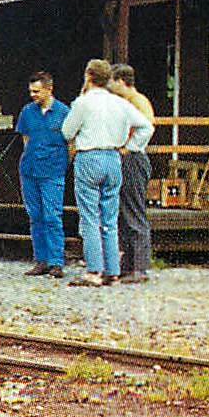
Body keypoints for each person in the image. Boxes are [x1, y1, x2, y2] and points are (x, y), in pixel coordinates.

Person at [60, 59, 153, 288]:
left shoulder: (83, 103)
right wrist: (130, 147)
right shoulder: (119, 103)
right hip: (113, 157)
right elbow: (146, 126)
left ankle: (94, 270)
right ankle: (113, 270)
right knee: (111, 218)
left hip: (89, 156)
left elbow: (66, 131)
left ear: (88, 76)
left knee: (91, 217)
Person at [16, 72, 71, 278]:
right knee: (35, 216)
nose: (33, 95)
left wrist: (62, 165)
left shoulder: (64, 112)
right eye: (31, 91)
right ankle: (41, 260)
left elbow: (70, 143)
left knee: (52, 216)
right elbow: (25, 139)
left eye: (37, 91)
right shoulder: (27, 111)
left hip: (53, 171)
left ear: (49, 89)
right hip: (30, 170)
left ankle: (56, 261)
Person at [110, 63, 155, 283]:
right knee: (124, 212)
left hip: (133, 159)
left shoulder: (138, 102)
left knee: (134, 211)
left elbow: (147, 127)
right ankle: (128, 264)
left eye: (112, 81)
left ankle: (140, 267)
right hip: (125, 158)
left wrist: (129, 148)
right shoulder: (125, 102)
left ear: (120, 81)